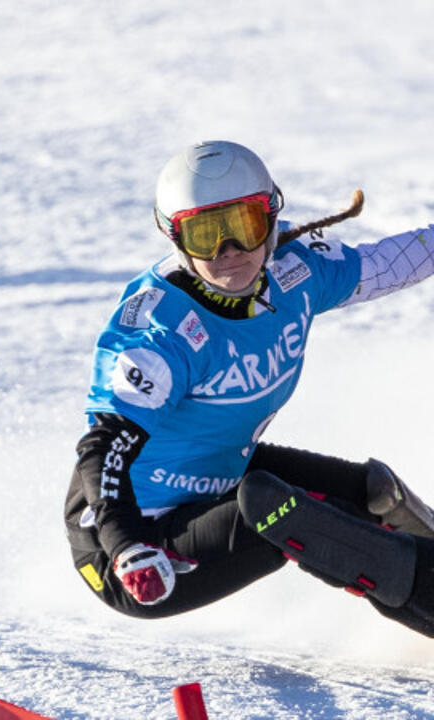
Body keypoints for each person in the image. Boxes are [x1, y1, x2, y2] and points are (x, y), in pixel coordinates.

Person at [64, 140, 434, 637]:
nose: (228, 253)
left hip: (220, 474)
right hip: (136, 541)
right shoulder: (163, 332)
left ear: (272, 218)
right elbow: (103, 448)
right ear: (174, 237)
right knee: (275, 505)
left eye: (243, 226)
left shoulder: (293, 273)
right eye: (205, 235)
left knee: (373, 494)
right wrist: (127, 544)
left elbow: (391, 263)